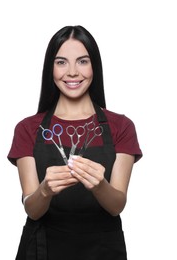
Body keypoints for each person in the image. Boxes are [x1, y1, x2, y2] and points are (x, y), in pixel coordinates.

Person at [8, 25, 142, 260]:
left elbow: (117, 205)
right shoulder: (28, 129)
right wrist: (45, 190)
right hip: (43, 250)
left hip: (102, 250)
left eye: (82, 61)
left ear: (94, 67)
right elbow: (32, 209)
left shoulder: (121, 127)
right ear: (50, 68)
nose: (71, 72)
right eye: (61, 62)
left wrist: (100, 185)